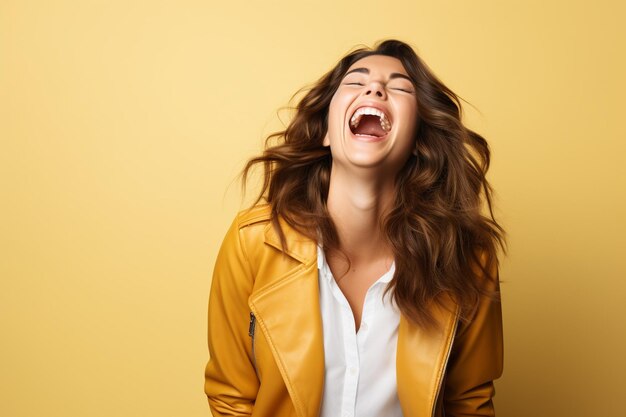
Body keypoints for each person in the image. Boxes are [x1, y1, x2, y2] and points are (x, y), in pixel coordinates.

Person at [204, 39, 505, 417]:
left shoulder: (466, 257)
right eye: (355, 82)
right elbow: (231, 398)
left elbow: (469, 404)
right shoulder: (253, 243)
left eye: (399, 87)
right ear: (326, 132)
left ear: (417, 141)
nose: (375, 89)